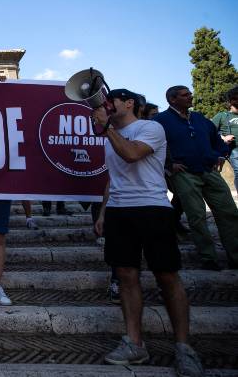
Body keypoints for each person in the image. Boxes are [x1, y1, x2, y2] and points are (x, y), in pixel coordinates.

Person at [92, 89, 203, 376]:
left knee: (167, 276)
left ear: (129, 103)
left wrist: (105, 128)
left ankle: (183, 347)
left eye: (110, 101)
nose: (106, 106)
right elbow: (113, 177)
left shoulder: (150, 127)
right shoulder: (112, 134)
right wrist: (104, 211)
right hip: (119, 211)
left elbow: (131, 155)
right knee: (126, 276)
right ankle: (134, 342)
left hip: (152, 208)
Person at [154, 86, 238, 270]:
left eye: (190, 93)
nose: (191, 96)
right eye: (186, 95)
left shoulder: (199, 118)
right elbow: (154, 145)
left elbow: (216, 140)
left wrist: (220, 154)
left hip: (209, 171)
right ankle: (208, 258)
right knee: (197, 216)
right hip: (184, 174)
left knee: (229, 212)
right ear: (172, 100)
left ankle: (235, 256)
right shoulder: (161, 120)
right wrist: (169, 164)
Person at [212, 85, 238, 192]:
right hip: (234, 149)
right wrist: (223, 137)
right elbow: (210, 133)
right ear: (231, 100)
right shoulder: (222, 116)